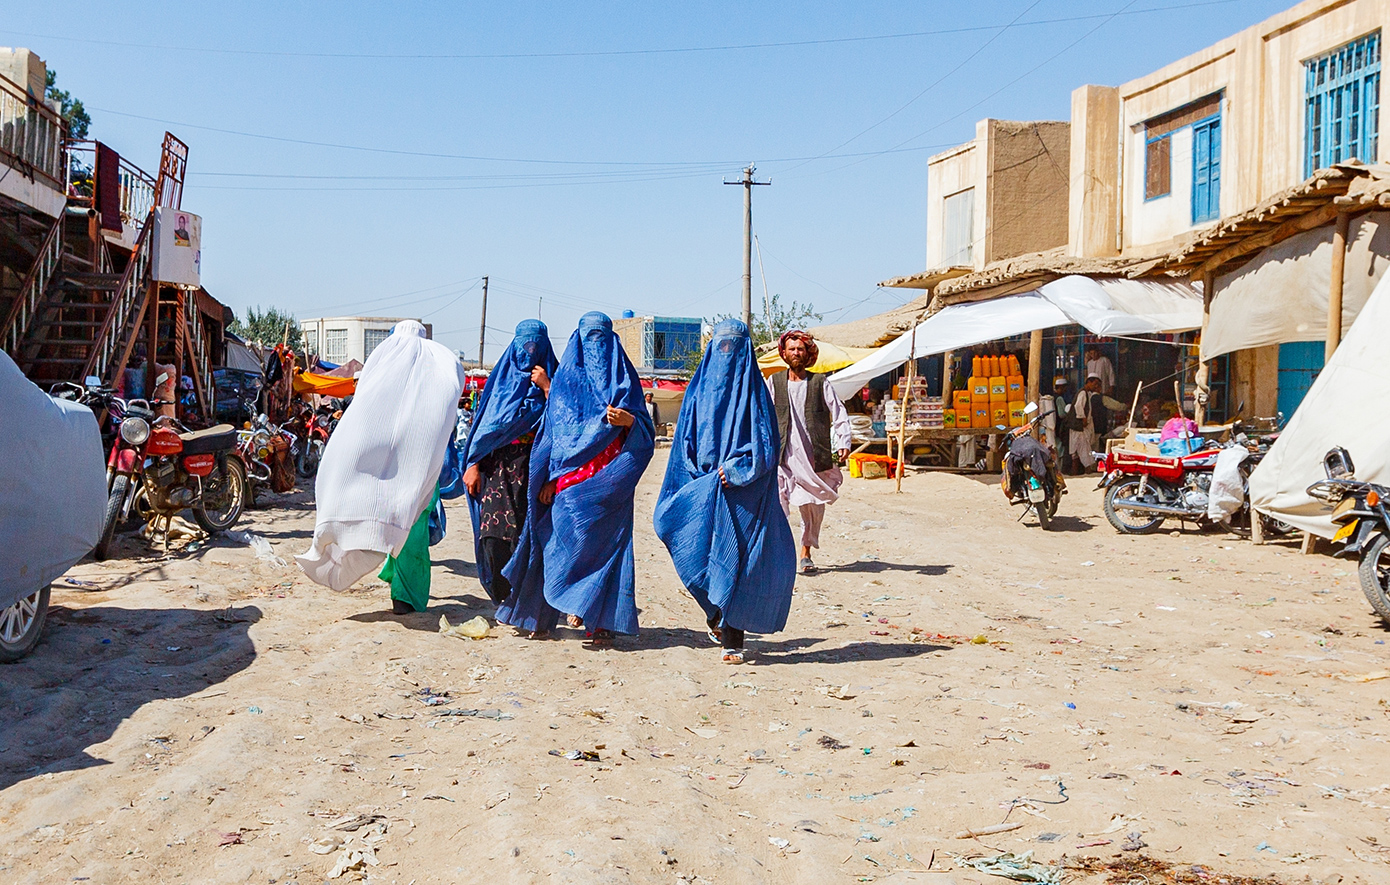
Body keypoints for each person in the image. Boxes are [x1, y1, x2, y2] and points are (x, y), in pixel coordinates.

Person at [501, 312, 654, 646]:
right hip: (568, 485)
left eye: (600, 338)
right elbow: (553, 438)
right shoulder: (565, 384)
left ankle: (599, 624)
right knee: (555, 546)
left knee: (607, 553)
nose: (595, 348)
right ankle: (540, 616)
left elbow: (645, 432)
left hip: (611, 483)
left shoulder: (625, 382)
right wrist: (549, 480)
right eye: (588, 339)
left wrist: (628, 421)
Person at [654, 319, 796, 664]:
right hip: (702, 488)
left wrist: (735, 471)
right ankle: (715, 613)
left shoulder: (756, 395)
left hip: (743, 493)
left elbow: (765, 445)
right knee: (691, 552)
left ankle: (733, 638)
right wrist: (699, 478)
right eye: (721, 347)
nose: (727, 355)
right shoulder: (697, 392)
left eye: (734, 347)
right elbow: (682, 445)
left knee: (737, 563)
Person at [297, 321, 464, 611]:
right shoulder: (438, 370)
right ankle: (403, 590)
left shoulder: (382, 363)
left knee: (403, 529)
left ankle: (405, 598)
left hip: (397, 465)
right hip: (419, 468)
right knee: (411, 530)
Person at [461, 320, 558, 610]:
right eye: (524, 345)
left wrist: (547, 387)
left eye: (535, 346)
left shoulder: (556, 381)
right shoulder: (500, 382)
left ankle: (526, 602)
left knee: (529, 538)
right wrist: (473, 464)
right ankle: (503, 596)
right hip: (497, 470)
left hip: (536, 470)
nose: (529, 352)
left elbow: (565, 422)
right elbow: (484, 427)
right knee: (493, 538)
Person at [766, 330, 851, 575]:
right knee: (778, 503)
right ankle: (780, 553)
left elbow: (839, 412)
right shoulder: (774, 383)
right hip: (782, 455)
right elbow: (761, 414)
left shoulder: (820, 383)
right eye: (791, 349)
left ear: (808, 353)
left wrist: (844, 440)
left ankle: (805, 553)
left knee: (812, 504)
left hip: (813, 455)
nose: (796, 353)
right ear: (784, 353)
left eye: (800, 349)